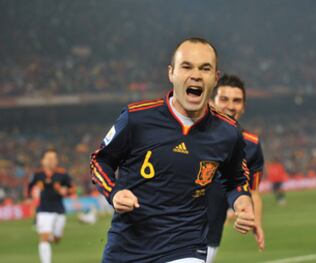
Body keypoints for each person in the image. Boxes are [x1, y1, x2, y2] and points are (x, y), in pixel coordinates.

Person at [90, 38, 255, 263]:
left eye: (205, 68)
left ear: (215, 78)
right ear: (172, 73)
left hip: (185, 247)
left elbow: (236, 179)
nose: (196, 75)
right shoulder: (136, 118)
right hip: (127, 249)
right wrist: (114, 192)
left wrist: (242, 203)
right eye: (186, 66)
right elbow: (100, 161)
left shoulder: (228, 132)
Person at [207, 74, 265, 263]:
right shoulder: (189, 134)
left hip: (209, 237)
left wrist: (255, 220)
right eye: (224, 99)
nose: (230, 106)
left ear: (243, 107)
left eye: (237, 101)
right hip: (167, 231)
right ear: (211, 102)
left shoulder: (251, 145)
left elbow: (253, 191)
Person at [27, 148, 76, 263]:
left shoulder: (62, 174)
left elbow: (73, 189)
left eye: (53, 158)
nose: (51, 160)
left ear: (56, 160)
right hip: (43, 210)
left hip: (59, 210)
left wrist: (66, 191)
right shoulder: (37, 174)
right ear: (43, 160)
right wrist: (29, 198)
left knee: (57, 239)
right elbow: (29, 187)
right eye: (48, 158)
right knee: (43, 238)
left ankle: (52, 235)